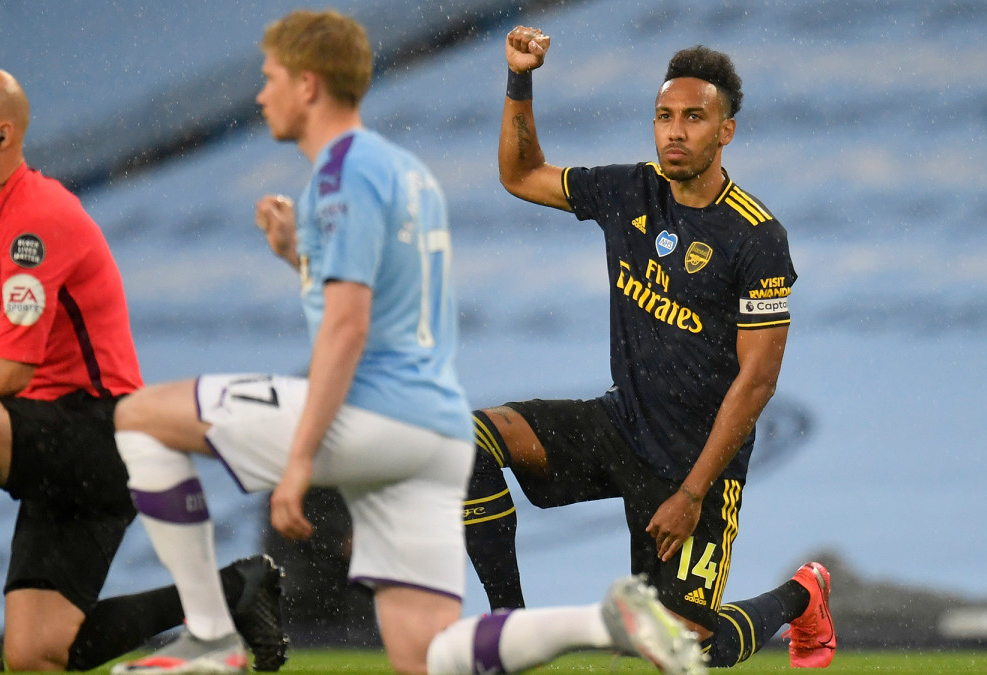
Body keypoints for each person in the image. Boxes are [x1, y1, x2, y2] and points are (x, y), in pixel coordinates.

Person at [111, 10, 705, 675]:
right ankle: (603, 620)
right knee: (424, 656)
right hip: (431, 431)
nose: (259, 94)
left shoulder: (343, 172)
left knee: (139, 417)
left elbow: (349, 325)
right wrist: (297, 258)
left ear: (308, 85)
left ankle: (212, 630)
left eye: (270, 77)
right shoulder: (402, 173)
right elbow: (378, 301)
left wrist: (301, 459)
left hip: (369, 416)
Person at [0, 68, 287, 673]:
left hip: (101, 432)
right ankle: (232, 591)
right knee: (37, 654)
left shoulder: (35, 217)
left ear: (2, 136)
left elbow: (11, 368)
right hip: (57, 446)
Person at [459, 25, 837, 670]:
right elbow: (520, 174)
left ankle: (801, 596)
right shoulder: (629, 191)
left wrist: (691, 493)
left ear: (726, 131)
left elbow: (757, 382)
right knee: (466, 440)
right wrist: (519, 79)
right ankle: (507, 632)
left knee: (686, 653)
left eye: (694, 117)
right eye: (664, 116)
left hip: (699, 467)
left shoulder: (757, 237)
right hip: (621, 427)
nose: (675, 131)